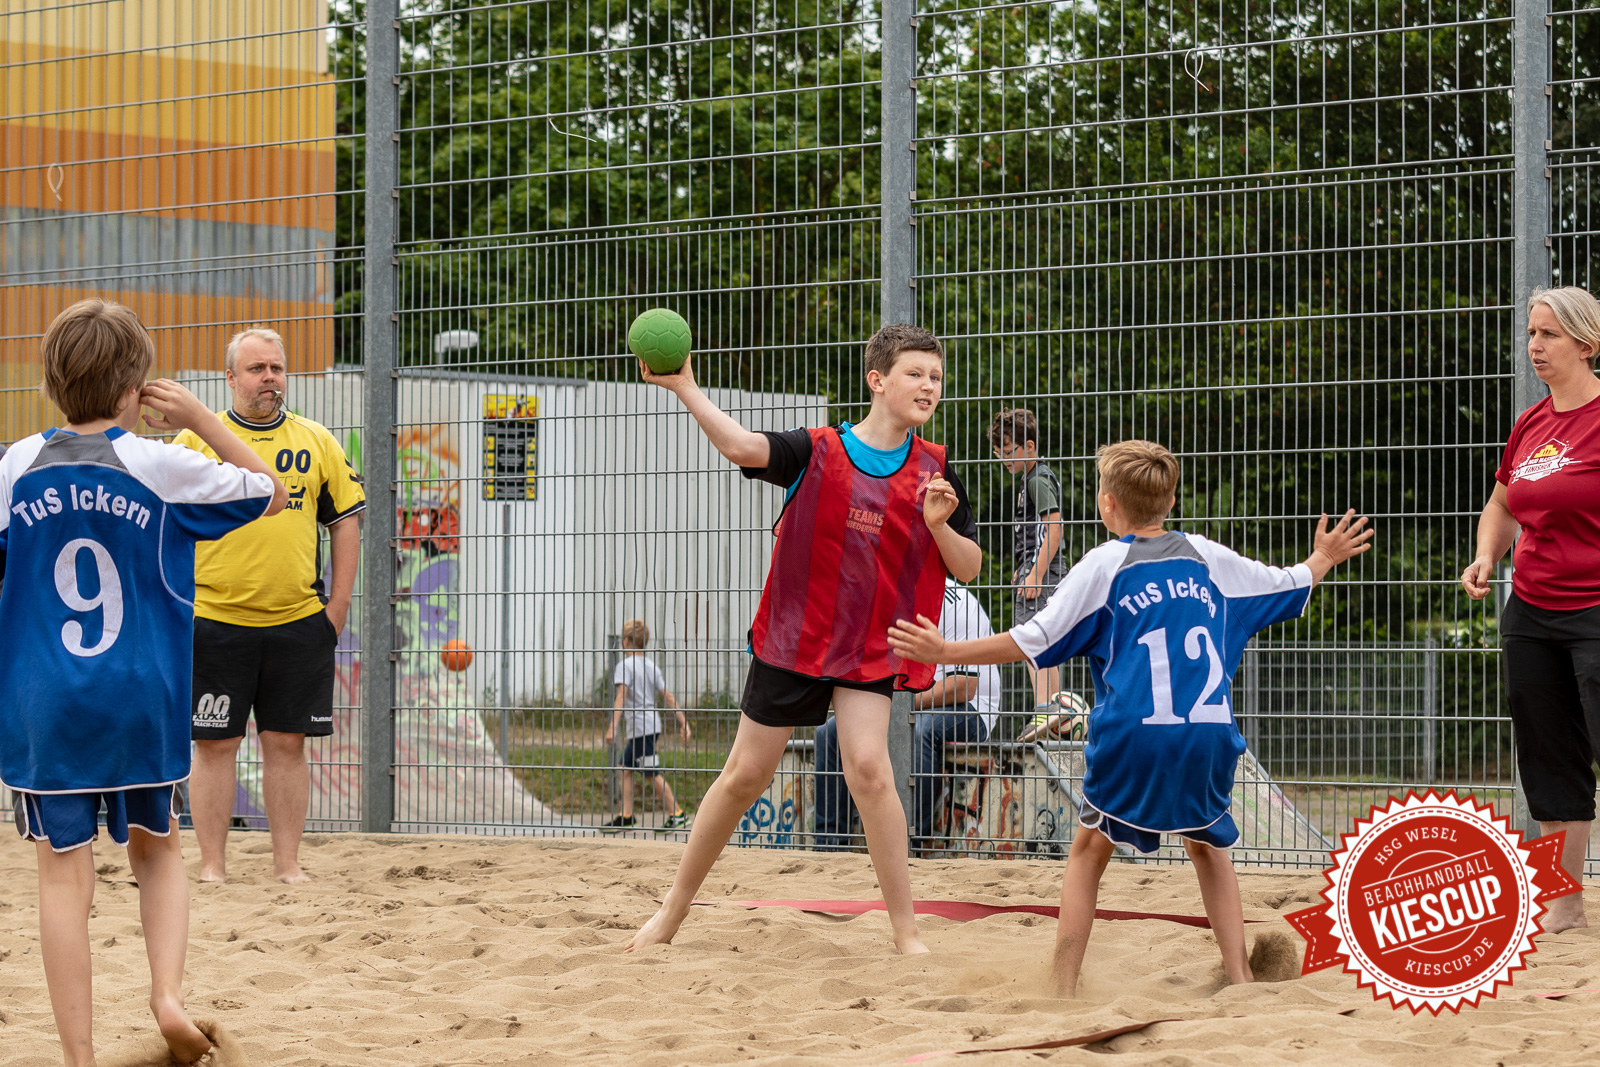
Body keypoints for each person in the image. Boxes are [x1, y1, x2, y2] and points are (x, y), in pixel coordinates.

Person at [889, 439, 1371, 994]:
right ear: (1169, 501)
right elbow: (1288, 582)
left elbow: (1030, 640)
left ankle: (1063, 983)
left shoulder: (1105, 564)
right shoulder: (1208, 557)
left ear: (1109, 502)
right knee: (1209, 847)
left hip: (1133, 736)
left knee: (1089, 852)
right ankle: (1239, 975)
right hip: (1209, 737)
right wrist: (1325, 557)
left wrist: (945, 652)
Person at [623, 323, 982, 955]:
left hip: (872, 643)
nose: (930, 385)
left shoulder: (936, 472)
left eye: (936, 376)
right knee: (744, 776)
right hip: (796, 638)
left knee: (871, 771)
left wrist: (940, 525)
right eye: (916, 373)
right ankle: (670, 913)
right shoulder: (817, 449)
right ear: (877, 379)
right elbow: (740, 446)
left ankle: (906, 934)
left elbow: (969, 567)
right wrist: (685, 386)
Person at [0, 299, 285, 1065]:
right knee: (158, 850)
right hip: (141, 695)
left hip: (43, 704)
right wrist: (200, 416)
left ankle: (80, 1059)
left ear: (52, 383)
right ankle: (166, 996)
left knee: (63, 879)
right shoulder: (161, 464)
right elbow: (269, 491)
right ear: (137, 388)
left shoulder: (14, 467)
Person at [175, 327, 366, 884]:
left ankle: (288, 866)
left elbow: (345, 520)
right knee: (215, 745)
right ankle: (212, 866)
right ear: (230, 377)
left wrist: (338, 607)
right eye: (257, 369)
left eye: (276, 369)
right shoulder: (195, 444)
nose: (269, 379)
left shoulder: (316, 440)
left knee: (286, 743)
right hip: (214, 621)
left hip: (297, 621)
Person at [1462, 285, 1600, 933]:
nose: (1535, 346)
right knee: (1547, 756)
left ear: (1585, 344)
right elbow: (1503, 504)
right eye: (1531, 333)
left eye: (1548, 334)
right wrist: (1488, 555)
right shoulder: (1531, 423)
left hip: (1597, 609)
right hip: (1533, 611)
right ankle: (1564, 902)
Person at [813, 577, 1001, 852]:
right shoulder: (886, 602)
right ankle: (829, 847)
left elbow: (964, 686)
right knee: (828, 733)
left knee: (921, 729)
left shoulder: (956, 605)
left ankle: (911, 842)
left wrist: (898, 705)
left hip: (973, 708)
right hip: (908, 701)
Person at [989, 408, 1067, 713]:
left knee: (1033, 641)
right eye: (999, 453)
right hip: (1039, 569)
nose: (1004, 459)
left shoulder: (1037, 480)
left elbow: (1055, 529)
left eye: (1009, 451)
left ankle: (1046, 712)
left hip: (1044, 574)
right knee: (1039, 640)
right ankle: (1051, 712)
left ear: (1030, 446)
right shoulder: (1033, 478)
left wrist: (1035, 573)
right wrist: (1024, 567)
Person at [602, 618, 692, 833]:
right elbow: (667, 697)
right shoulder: (652, 666)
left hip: (642, 727)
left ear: (626, 641)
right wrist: (683, 722)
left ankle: (677, 814)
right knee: (625, 768)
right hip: (650, 725)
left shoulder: (625, 665)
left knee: (651, 773)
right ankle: (626, 816)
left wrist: (613, 726)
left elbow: (621, 696)